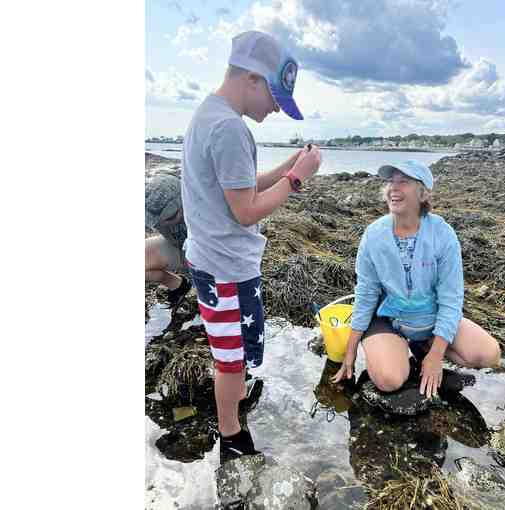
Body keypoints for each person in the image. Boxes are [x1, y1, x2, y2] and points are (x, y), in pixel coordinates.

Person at [180, 30, 322, 464]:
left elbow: (239, 188)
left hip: (211, 260)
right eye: (275, 96)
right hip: (225, 269)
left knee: (233, 353)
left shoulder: (210, 115)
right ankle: (231, 434)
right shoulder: (229, 129)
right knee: (229, 359)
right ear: (252, 79)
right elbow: (246, 211)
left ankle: (235, 399)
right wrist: (297, 181)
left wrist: (286, 168)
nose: (276, 107)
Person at [332, 160, 500, 399]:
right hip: (389, 320)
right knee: (389, 380)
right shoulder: (374, 235)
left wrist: (435, 355)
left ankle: (423, 347)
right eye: (391, 181)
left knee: (489, 354)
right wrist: (350, 350)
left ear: (422, 192)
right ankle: (395, 348)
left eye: (404, 181)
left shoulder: (443, 235)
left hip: (429, 318)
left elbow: (451, 299)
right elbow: (366, 293)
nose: (394, 188)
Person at [145, 173, 192, 308]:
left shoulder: (210, 211)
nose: (162, 223)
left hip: (213, 258)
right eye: (158, 221)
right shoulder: (152, 211)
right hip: (180, 249)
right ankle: (178, 285)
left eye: (168, 217)